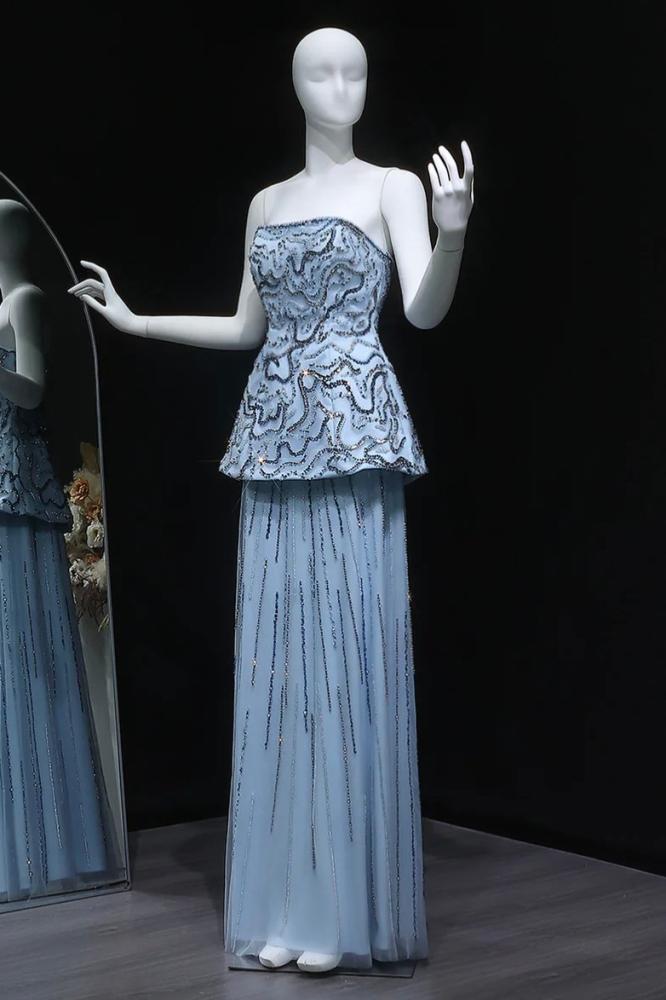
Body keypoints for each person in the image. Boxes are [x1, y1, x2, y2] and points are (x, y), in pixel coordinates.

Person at [68, 26, 474, 973]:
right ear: (296, 88)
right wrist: (136, 321)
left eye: (356, 71)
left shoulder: (392, 187)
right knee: (284, 671)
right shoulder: (265, 203)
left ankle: (341, 912)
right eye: (323, 72)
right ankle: (291, 904)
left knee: (346, 659)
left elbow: (422, 310)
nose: (343, 86)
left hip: (354, 435)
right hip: (275, 436)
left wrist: (453, 232)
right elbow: (247, 326)